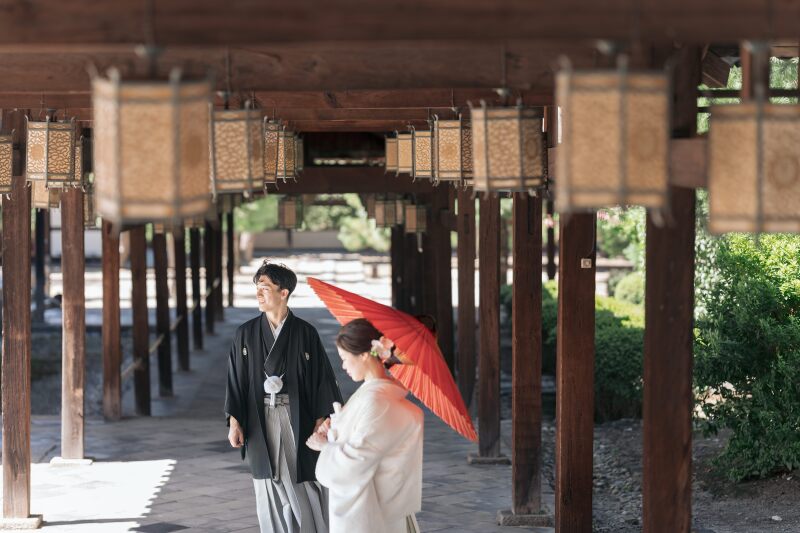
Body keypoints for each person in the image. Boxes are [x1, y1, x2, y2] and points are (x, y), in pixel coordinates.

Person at [225, 260, 343, 533]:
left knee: (300, 478)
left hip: (296, 416)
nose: (258, 294)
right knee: (267, 482)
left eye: (265, 288)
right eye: (257, 288)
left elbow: (322, 378)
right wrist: (234, 421)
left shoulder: (305, 333)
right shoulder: (245, 334)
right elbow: (236, 381)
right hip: (259, 417)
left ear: (284, 292)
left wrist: (321, 418)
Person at [306, 318, 423, 533]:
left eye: (344, 358)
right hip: (373, 506)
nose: (342, 365)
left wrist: (325, 446)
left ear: (363, 355)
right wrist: (335, 431)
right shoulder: (375, 394)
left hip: (371, 512)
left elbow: (356, 462)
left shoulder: (377, 401)